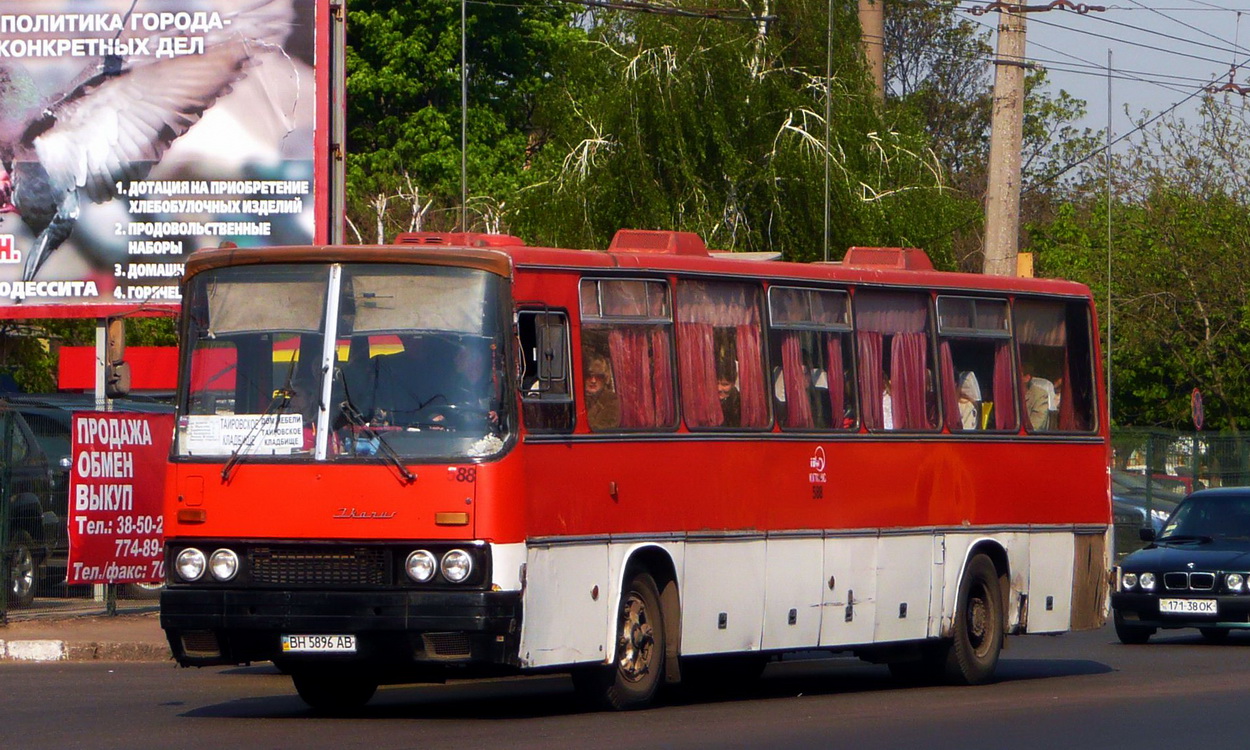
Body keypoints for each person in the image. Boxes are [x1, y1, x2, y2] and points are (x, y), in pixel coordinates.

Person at [584, 355, 621, 430]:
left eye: (598, 376)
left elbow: (600, 428)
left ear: (604, 379)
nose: (593, 381)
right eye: (589, 376)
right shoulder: (575, 398)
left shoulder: (610, 399)